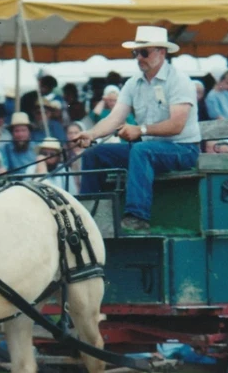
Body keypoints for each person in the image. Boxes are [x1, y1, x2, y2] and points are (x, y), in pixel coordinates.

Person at [73, 26, 200, 232]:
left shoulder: (179, 81)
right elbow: (115, 117)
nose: (139, 58)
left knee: (141, 150)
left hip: (183, 150)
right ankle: (90, 215)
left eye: (144, 52)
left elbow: (177, 125)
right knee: (94, 153)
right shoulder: (134, 83)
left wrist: (140, 130)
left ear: (161, 52)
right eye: (136, 53)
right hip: (152, 150)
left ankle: (137, 217)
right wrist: (91, 134)